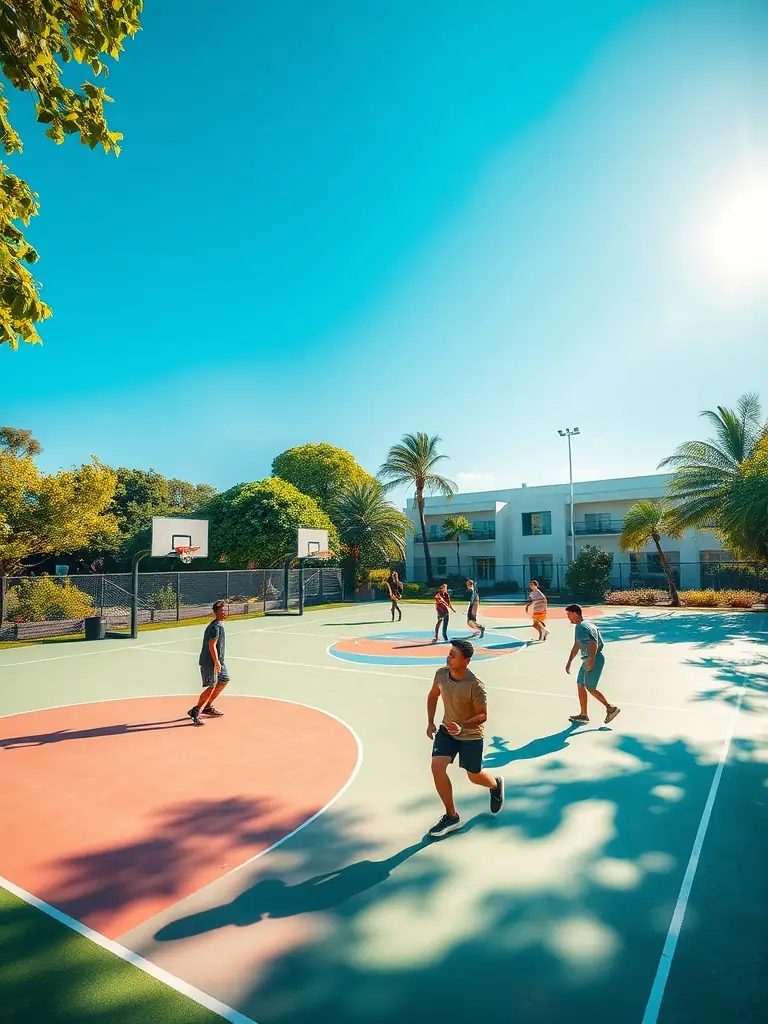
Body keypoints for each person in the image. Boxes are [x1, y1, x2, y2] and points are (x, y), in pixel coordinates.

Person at [426, 638, 504, 837]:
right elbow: (433, 695)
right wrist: (430, 722)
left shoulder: (475, 686)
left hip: (470, 735)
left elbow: (483, 715)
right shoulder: (441, 674)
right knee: (437, 767)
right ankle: (452, 816)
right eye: (449, 653)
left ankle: (495, 785)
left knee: (474, 776)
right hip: (447, 730)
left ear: (466, 661)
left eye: (453, 655)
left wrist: (462, 725)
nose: (448, 657)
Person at [564, 604, 620, 725]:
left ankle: (611, 708)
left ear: (574, 613)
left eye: (568, 614)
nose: (568, 617)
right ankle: (583, 714)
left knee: (590, 687)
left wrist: (591, 659)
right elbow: (577, 645)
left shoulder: (581, 627)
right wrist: (569, 661)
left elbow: (593, 642)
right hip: (588, 659)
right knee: (580, 684)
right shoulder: (587, 624)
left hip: (594, 658)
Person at [188, 601, 230, 725]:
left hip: (218, 661)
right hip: (210, 662)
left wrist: (219, 662)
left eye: (226, 610)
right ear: (216, 612)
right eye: (222, 610)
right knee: (211, 686)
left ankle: (207, 706)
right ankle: (196, 711)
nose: (225, 612)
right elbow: (212, 645)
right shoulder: (214, 627)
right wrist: (216, 662)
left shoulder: (219, 624)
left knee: (223, 681)